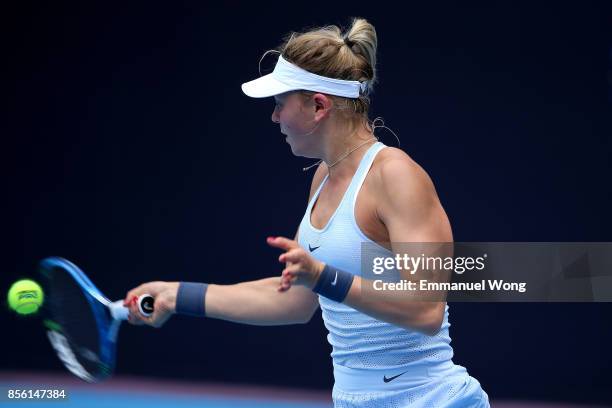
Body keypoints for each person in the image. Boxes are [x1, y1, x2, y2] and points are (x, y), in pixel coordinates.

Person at [124, 17, 490, 407]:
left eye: (281, 104)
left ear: (318, 106)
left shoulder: (396, 175)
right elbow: (294, 301)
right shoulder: (323, 178)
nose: (274, 117)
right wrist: (179, 296)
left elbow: (427, 309)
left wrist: (323, 277)